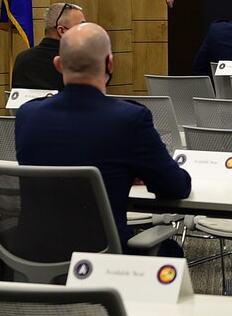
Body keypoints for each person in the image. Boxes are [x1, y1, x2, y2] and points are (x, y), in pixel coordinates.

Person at [15, 22, 191, 256]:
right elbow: (176, 188)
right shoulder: (130, 119)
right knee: (171, 253)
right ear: (110, 63)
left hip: (35, 256)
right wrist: (133, 169)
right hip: (104, 261)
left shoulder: (27, 115)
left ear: (58, 65)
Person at [11, 2, 86, 90]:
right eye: (82, 26)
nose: (87, 31)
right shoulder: (78, 61)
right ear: (62, 31)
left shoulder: (22, 58)